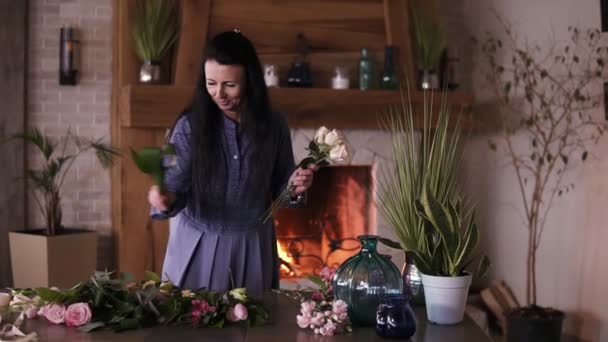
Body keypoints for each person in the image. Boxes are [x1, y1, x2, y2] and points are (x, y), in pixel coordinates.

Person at [147, 31, 317, 296]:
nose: (219, 94)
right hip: (198, 244)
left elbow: (282, 185)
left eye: (229, 85)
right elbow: (172, 186)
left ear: (250, 80)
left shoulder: (274, 125)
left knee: (252, 329)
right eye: (210, 83)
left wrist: (295, 187)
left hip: (254, 244)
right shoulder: (188, 126)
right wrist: (164, 197)